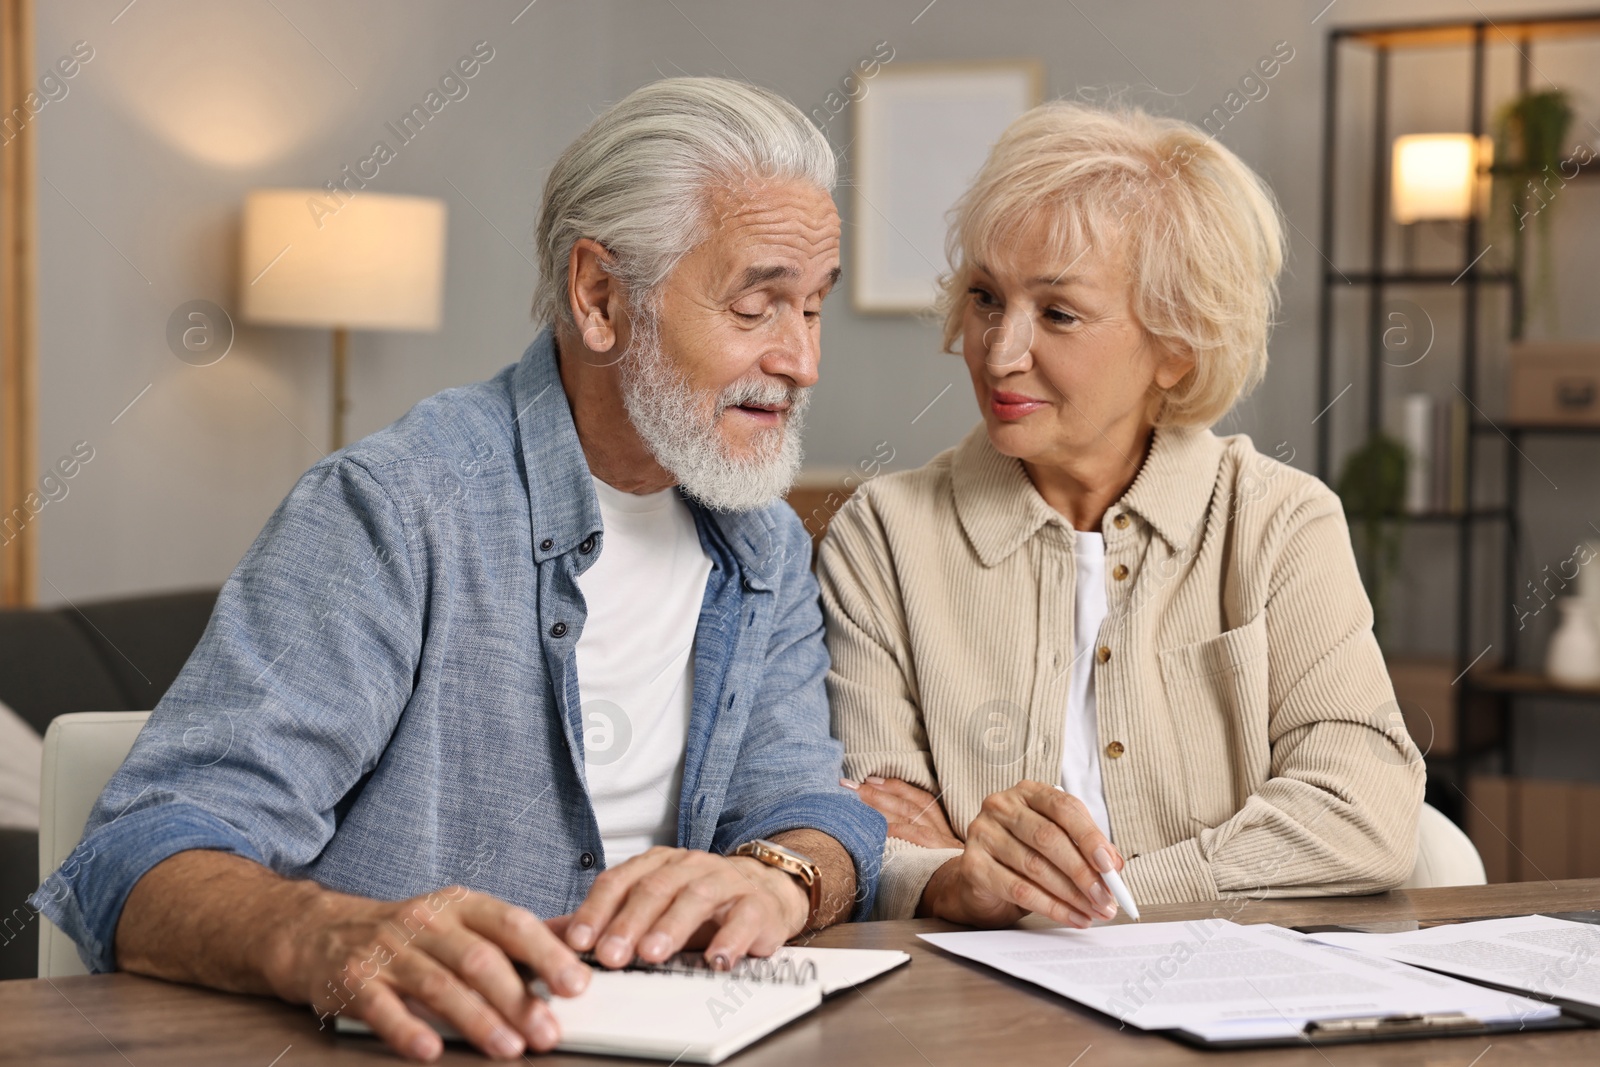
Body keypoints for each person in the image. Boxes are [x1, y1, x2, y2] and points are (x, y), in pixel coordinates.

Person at [32, 77, 884, 1063]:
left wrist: (782, 873)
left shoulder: (762, 542)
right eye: (760, 304)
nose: (803, 359)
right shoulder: (392, 507)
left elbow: (808, 808)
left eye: (813, 309)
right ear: (600, 297)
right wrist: (326, 935)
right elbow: (136, 860)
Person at [820, 101, 1423, 928]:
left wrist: (1097, 892)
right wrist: (945, 875)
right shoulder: (881, 536)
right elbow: (871, 829)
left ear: (1177, 347)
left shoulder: (1282, 522)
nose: (1000, 350)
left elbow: (1366, 814)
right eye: (986, 297)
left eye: (1059, 313)